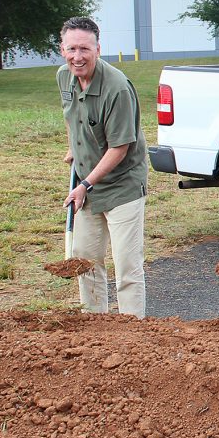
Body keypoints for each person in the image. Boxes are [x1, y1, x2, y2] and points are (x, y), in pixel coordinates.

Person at [58, 16, 149, 318]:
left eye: (85, 49)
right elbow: (72, 116)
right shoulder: (64, 76)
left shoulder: (117, 89)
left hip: (122, 185)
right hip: (88, 184)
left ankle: (133, 333)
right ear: (62, 49)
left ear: (98, 49)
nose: (77, 57)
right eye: (71, 49)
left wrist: (84, 185)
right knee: (85, 261)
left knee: (127, 266)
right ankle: (95, 329)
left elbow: (120, 148)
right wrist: (75, 146)